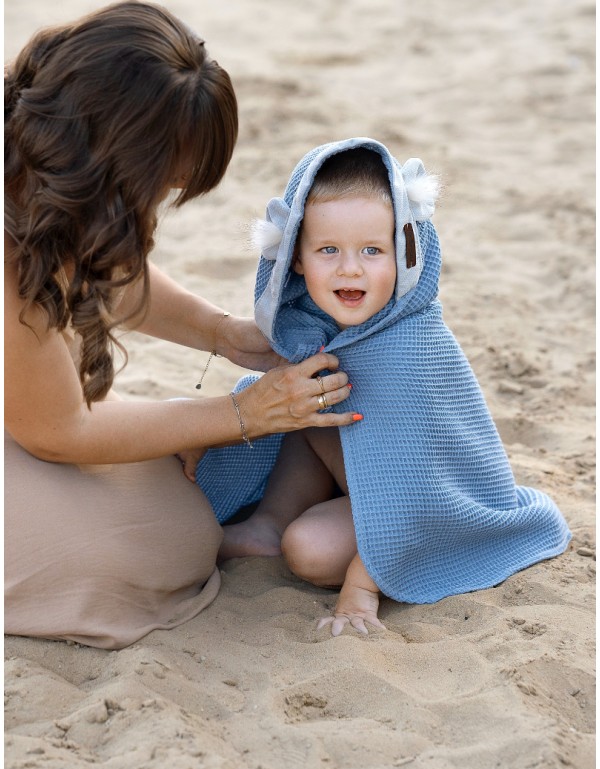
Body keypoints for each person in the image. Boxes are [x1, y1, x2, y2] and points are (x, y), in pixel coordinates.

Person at [4, 2, 363, 650]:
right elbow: (57, 431)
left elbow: (99, 267)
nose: (162, 201)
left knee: (172, 504)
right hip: (36, 426)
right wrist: (245, 415)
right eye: (161, 186)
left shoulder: (32, 166)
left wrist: (221, 332)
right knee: (166, 548)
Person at [196, 137, 572, 636]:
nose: (350, 268)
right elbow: (273, 408)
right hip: (361, 491)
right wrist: (214, 431)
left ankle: (364, 558)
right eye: (328, 250)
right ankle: (269, 519)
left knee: (308, 550)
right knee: (309, 398)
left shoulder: (413, 347)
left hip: (433, 509)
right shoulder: (313, 332)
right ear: (295, 258)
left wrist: (360, 591)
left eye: (372, 250)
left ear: (404, 251)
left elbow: (422, 488)